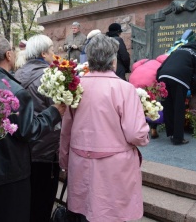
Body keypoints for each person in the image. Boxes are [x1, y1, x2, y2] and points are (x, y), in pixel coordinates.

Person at [59, 33, 150, 222]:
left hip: (80, 160)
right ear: (113, 61)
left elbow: (66, 129)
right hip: (114, 167)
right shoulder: (125, 89)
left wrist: (64, 161)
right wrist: (144, 136)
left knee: (84, 212)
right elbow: (135, 134)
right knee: (112, 214)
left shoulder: (77, 87)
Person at [0, 35, 66, 222]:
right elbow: (27, 130)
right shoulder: (16, 91)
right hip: (11, 169)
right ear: (8, 55)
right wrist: (54, 112)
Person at [14, 35, 60, 222]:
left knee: (26, 200)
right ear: (43, 53)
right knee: (42, 202)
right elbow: (57, 111)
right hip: (45, 150)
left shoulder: (17, 74)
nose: (54, 54)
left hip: (22, 149)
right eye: (52, 50)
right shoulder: (48, 76)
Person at [156, 41, 196, 145]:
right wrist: (191, 86)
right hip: (179, 80)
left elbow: (162, 66)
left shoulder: (176, 51)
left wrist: (160, 79)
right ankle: (178, 138)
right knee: (178, 108)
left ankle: (171, 133)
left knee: (168, 107)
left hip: (163, 76)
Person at [129, 54, 169, 139]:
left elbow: (134, 66)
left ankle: (139, 127)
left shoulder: (145, 62)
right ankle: (153, 128)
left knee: (139, 104)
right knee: (152, 106)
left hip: (133, 81)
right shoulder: (162, 65)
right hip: (149, 84)